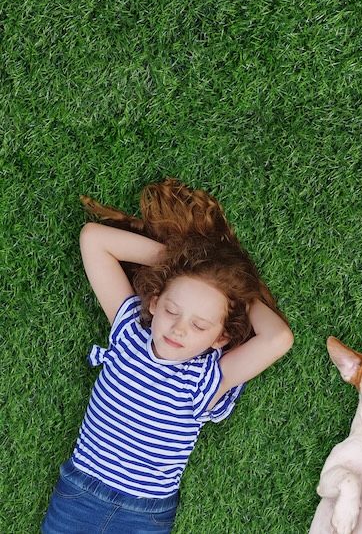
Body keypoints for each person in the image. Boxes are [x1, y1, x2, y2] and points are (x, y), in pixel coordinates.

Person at [42, 179, 294, 533]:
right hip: (80, 494)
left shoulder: (210, 379)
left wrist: (240, 294)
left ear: (220, 337)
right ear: (156, 303)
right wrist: (181, 265)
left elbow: (278, 338)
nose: (178, 330)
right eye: (173, 310)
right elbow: (94, 239)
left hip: (144, 516)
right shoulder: (131, 327)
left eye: (200, 325)